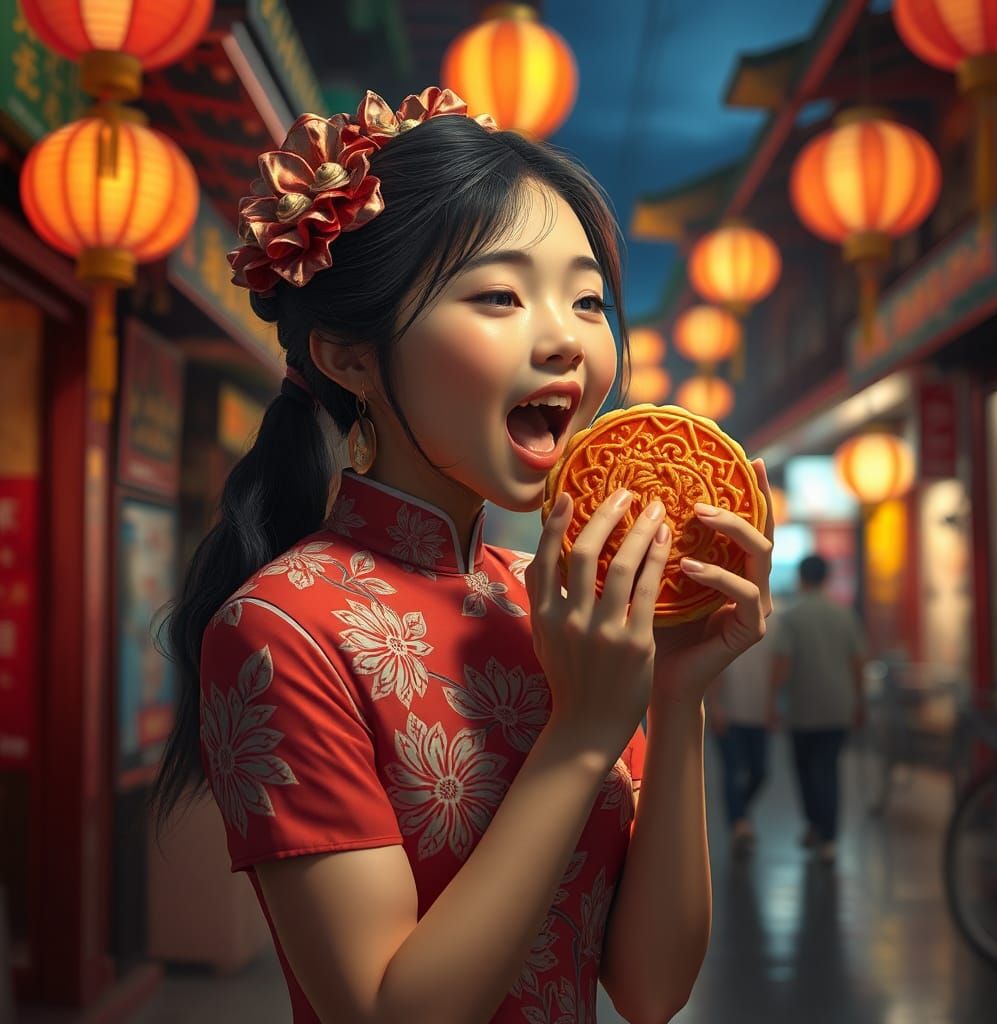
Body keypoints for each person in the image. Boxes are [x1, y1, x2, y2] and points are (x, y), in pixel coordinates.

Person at [150, 87, 774, 1024]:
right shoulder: (277, 630)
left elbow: (650, 990)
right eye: (499, 296)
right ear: (349, 356)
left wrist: (676, 692)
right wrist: (579, 739)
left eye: (589, 298)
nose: (566, 338)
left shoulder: (552, 604)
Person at [767, 554, 865, 866]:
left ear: (801, 578)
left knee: (806, 771)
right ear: (826, 578)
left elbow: (782, 663)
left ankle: (814, 825)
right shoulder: (844, 615)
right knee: (829, 771)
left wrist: (772, 701)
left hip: (803, 709)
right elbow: (857, 662)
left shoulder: (792, 617)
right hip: (838, 707)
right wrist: (860, 701)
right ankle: (830, 838)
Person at [707, 619, 775, 852]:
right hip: (730, 713)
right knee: (733, 771)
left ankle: (740, 814)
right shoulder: (726, 619)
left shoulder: (773, 621)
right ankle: (739, 823)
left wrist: (772, 705)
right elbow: (716, 668)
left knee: (760, 772)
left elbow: (778, 664)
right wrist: (715, 706)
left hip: (758, 713)